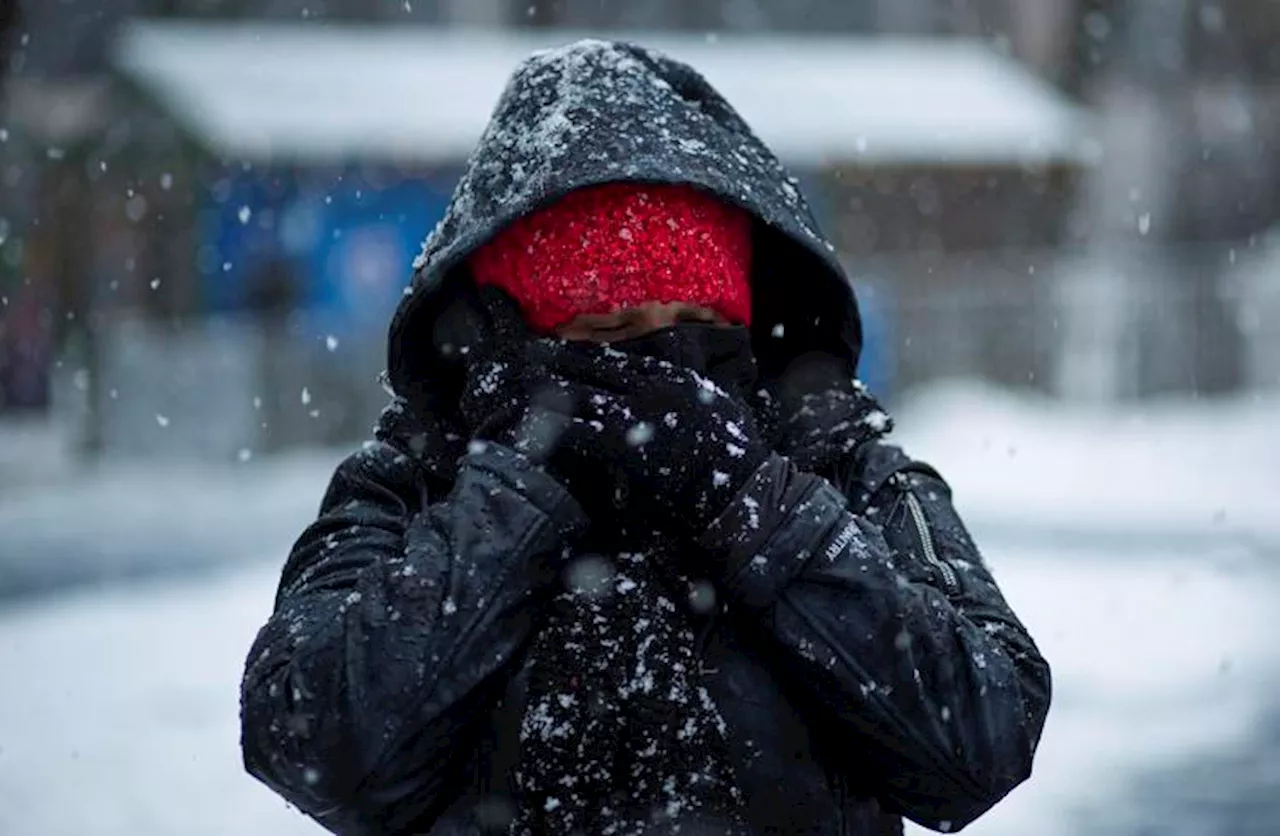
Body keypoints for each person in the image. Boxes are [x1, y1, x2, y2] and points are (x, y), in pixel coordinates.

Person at [240, 39, 1050, 836]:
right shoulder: (417, 482)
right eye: (612, 326)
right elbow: (315, 747)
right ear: (517, 332)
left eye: (700, 323)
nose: (669, 365)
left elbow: (981, 742)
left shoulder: (838, 463)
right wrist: (522, 491)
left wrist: (747, 496)